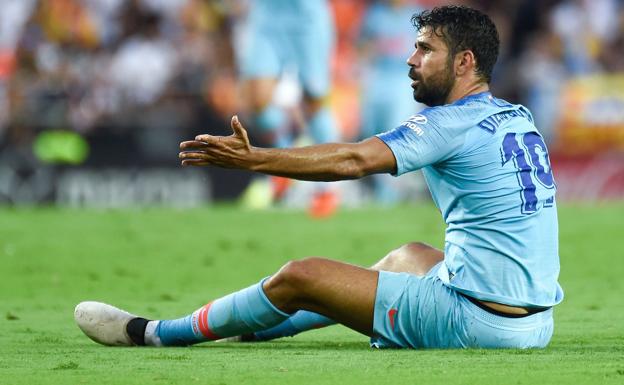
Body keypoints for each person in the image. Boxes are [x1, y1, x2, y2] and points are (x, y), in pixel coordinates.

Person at [75, 5, 563, 349]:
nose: (411, 60)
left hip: (475, 322)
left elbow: (353, 160)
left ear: (464, 62)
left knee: (301, 274)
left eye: (425, 50)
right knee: (407, 256)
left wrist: (256, 160)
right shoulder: (515, 114)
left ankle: (156, 332)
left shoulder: (446, 123)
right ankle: (256, 325)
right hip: (535, 324)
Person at [235, 0, 340, 216]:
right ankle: (285, 160)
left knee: (314, 101)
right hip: (268, 16)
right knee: (256, 99)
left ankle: (327, 187)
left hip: (306, 17)